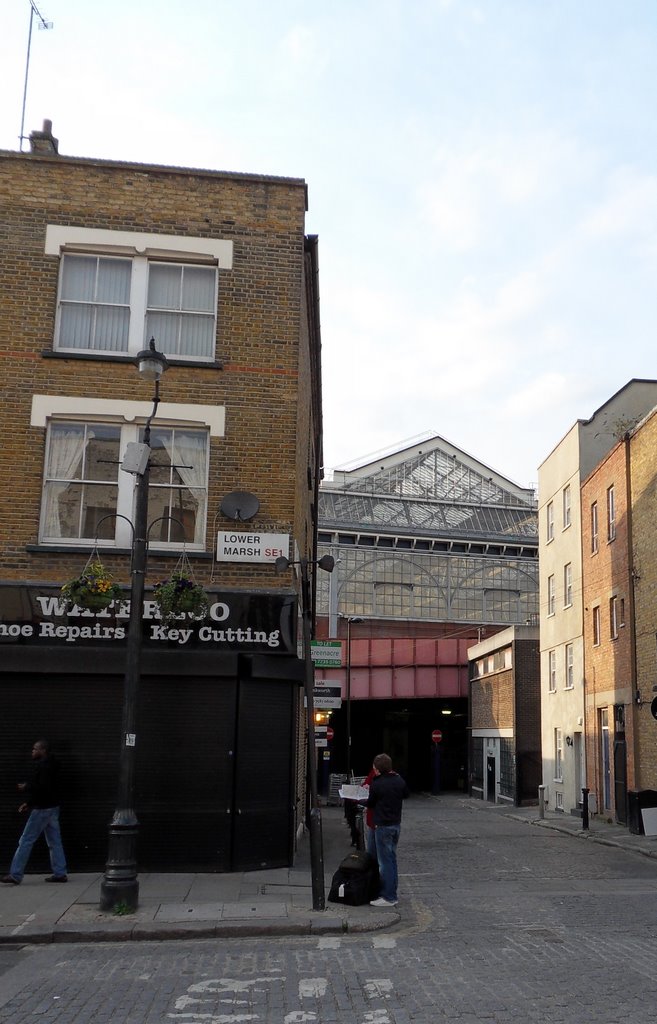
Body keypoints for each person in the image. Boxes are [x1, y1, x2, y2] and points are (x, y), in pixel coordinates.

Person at [1, 739, 68, 885]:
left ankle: (15, 874)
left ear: (43, 750)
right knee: (54, 841)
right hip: (53, 807)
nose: (32, 751)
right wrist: (29, 802)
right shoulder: (54, 764)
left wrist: (26, 788)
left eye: (35, 749)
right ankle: (60, 873)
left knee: (26, 840)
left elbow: (41, 787)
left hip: (42, 809)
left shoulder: (43, 766)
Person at [364, 752, 409, 907]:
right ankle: (392, 893)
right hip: (395, 825)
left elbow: (370, 803)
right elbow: (406, 794)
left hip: (382, 826)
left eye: (374, 768)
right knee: (392, 860)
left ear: (378, 769)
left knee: (384, 863)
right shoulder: (399, 780)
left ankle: (388, 896)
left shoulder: (377, 783)